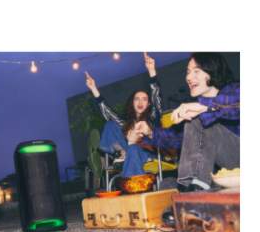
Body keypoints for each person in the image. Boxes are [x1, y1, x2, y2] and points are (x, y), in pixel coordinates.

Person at [135, 52, 240, 192]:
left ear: (213, 71)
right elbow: (176, 136)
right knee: (167, 185)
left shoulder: (235, 91)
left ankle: (195, 187)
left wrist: (205, 107)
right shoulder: (196, 112)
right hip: (218, 177)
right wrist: (149, 133)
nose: (189, 77)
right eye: (188, 72)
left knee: (200, 117)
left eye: (196, 71)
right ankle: (194, 192)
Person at [85, 52, 164, 177]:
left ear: (149, 104)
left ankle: (133, 184)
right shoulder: (128, 123)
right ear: (132, 103)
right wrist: (94, 89)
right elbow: (109, 114)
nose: (140, 102)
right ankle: (120, 154)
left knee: (133, 148)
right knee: (110, 124)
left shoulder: (153, 118)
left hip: (147, 152)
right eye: (137, 99)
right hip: (129, 151)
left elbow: (157, 97)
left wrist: (152, 71)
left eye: (144, 99)